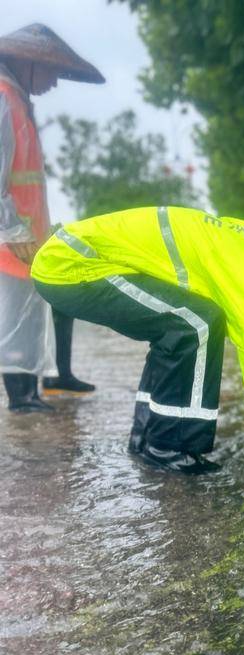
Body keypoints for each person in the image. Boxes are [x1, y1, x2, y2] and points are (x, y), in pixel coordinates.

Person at [32, 207, 244, 476]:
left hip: (73, 259)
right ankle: (169, 446)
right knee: (197, 324)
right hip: (71, 265)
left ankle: (147, 436)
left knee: (183, 324)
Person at [0, 23, 104, 412]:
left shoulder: (18, 100)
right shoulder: (4, 99)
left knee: (34, 310)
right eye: (50, 72)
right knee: (15, 317)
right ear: (26, 64)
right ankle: (21, 397)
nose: (55, 82)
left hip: (27, 235)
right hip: (11, 238)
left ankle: (37, 386)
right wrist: (10, 229)